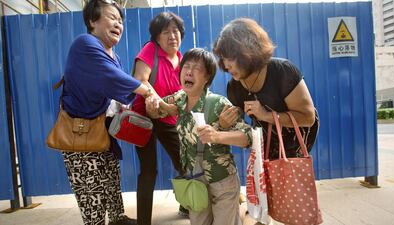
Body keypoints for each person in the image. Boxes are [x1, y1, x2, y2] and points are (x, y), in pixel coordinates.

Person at [61, 1, 160, 224]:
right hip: (81, 134)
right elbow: (115, 79)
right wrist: (147, 91)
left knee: (111, 183)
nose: (119, 24)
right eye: (112, 17)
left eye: (120, 20)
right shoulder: (85, 44)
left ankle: (117, 219)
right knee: (92, 195)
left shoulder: (113, 56)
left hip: (103, 131)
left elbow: (116, 93)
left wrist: (129, 107)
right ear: (92, 21)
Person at [147, 48, 252, 225]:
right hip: (195, 180)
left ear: (207, 78)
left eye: (197, 68)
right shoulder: (180, 98)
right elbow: (160, 109)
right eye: (186, 66)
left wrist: (217, 135)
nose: (188, 71)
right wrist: (152, 107)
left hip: (222, 180)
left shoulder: (218, 103)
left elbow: (247, 136)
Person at [213, 18, 319, 161]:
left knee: (289, 181)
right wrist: (224, 124)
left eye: (231, 58)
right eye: (223, 58)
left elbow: (308, 118)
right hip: (267, 146)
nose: (226, 66)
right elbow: (244, 131)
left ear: (249, 51)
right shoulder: (234, 87)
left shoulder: (283, 72)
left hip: (297, 143)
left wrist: (266, 115)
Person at [130, 12, 187, 224]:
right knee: (148, 171)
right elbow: (140, 80)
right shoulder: (150, 50)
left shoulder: (181, 59)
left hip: (169, 120)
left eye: (176, 31)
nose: (172, 36)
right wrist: (162, 104)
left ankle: (186, 203)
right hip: (143, 118)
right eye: (166, 32)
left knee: (185, 164)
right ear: (157, 37)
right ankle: (143, 220)